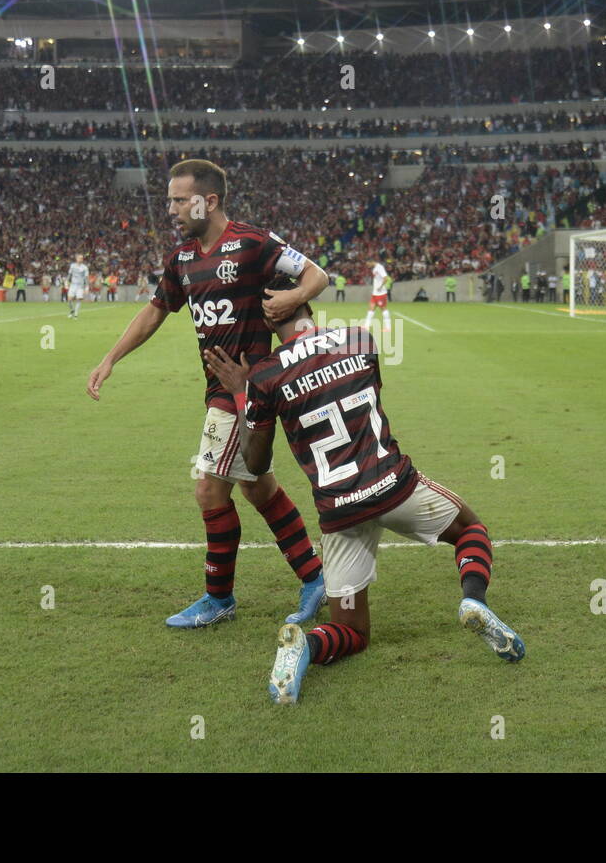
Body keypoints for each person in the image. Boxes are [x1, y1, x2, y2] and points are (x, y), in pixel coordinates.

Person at [203, 277, 524, 705]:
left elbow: (257, 464)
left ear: (267, 320)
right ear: (306, 305)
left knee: (353, 631)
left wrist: (242, 394)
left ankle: (306, 646)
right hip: (394, 487)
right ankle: (473, 601)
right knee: (469, 529)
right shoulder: (359, 339)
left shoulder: (264, 376)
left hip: (339, 513)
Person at [85, 157, 329, 629]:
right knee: (259, 488)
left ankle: (219, 598)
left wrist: (293, 298)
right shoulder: (181, 259)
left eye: (180, 200)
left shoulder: (252, 242)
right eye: (170, 200)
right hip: (219, 388)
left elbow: (316, 274)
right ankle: (314, 576)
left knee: (208, 488)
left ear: (208, 200)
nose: (171, 209)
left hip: (247, 388)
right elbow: (155, 313)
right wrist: (110, 358)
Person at [363, 261, 391, 332]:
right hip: (375, 293)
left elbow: (386, 278)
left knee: (383, 309)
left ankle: (388, 328)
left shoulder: (380, 267)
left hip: (381, 293)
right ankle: (366, 326)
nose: (367, 266)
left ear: (371, 261)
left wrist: (380, 287)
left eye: (368, 264)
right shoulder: (375, 268)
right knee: (371, 309)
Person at [66, 254, 89, 318]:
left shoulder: (85, 267)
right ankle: (72, 310)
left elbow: (86, 278)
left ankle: (76, 314)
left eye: (82, 258)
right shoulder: (72, 266)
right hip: (73, 285)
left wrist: (87, 287)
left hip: (80, 286)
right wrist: (66, 281)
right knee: (69, 299)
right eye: (80, 258)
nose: (81, 259)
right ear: (76, 259)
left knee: (79, 299)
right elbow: (69, 274)